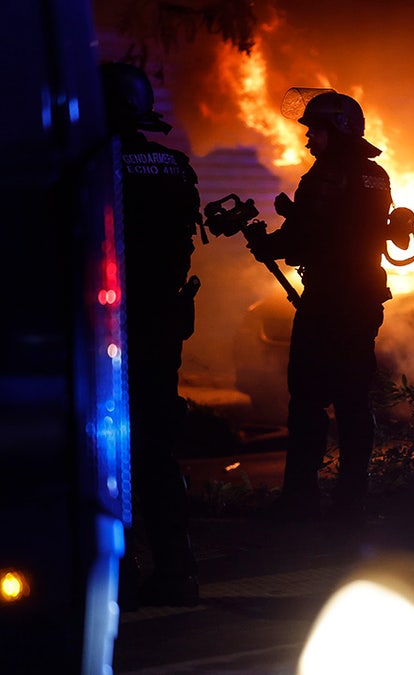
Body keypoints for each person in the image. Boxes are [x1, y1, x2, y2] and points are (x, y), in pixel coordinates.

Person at [245, 90, 393, 524]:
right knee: (353, 401)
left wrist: (264, 244)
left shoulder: (324, 176)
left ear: (338, 131)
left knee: (307, 401)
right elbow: (347, 228)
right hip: (365, 298)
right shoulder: (376, 175)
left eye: (316, 131)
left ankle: (299, 502)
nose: (310, 140)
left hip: (329, 300)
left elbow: (304, 238)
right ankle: (352, 502)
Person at [101, 61, 202, 607]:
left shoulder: (96, 166)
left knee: (104, 450)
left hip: (106, 333)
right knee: (157, 449)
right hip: (163, 327)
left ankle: (118, 572)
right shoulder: (173, 166)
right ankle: (178, 568)